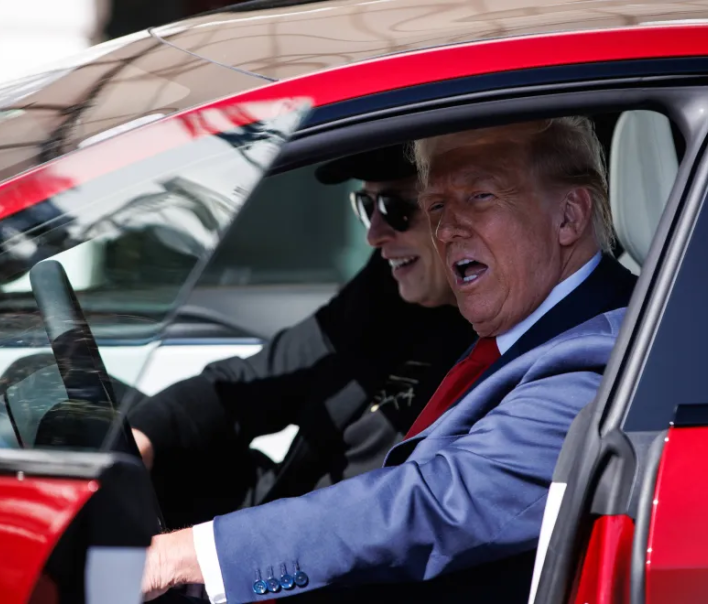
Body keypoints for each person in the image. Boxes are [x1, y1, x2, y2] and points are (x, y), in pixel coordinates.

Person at [140, 116, 638, 604]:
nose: (446, 230)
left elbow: (435, 503)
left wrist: (188, 556)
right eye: (435, 206)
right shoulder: (516, 316)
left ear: (569, 216)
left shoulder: (599, 352)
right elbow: (254, 383)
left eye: (479, 196)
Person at [128, 144, 475, 530]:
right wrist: (144, 435)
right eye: (366, 206)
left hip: (324, 547)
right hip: (276, 514)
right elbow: (255, 383)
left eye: (396, 208)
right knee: (103, 425)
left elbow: (396, 524)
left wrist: (197, 554)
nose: (374, 235)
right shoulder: (388, 289)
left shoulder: (503, 347)